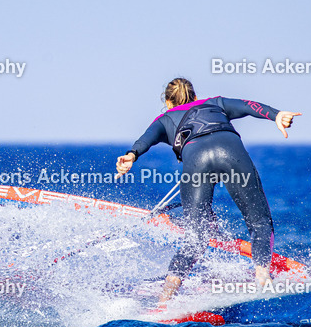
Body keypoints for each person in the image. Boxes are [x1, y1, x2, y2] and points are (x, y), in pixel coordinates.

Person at [116, 78, 300, 304]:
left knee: (197, 236)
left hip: (196, 159)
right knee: (259, 222)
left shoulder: (164, 120)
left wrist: (131, 155)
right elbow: (248, 105)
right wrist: (276, 115)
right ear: (195, 97)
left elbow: (145, 140)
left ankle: (164, 302)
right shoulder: (216, 103)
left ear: (167, 101)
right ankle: (263, 280)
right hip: (230, 152)